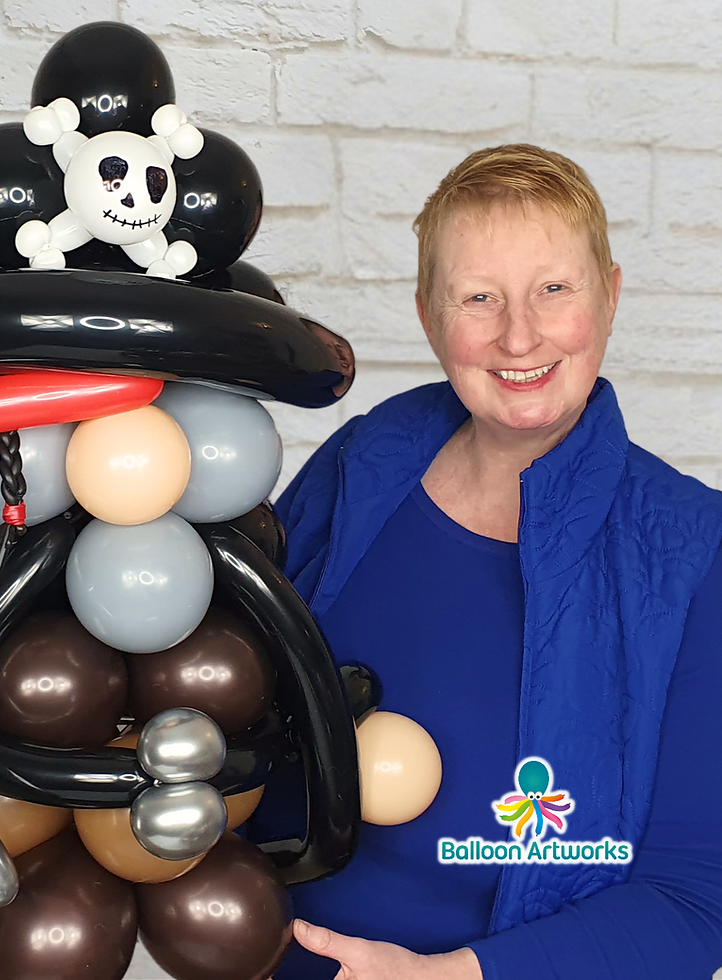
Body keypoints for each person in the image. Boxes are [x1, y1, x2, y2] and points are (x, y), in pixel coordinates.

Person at [252, 144, 722, 979]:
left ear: (608, 298)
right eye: (479, 298)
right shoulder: (366, 465)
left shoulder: (693, 549)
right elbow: (237, 683)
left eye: (554, 289)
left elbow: (694, 902)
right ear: (432, 317)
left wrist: (448, 978)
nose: (519, 334)